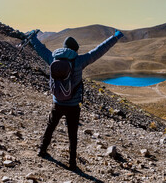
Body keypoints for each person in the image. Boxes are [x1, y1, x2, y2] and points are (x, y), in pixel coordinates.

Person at [28, 29, 124, 171]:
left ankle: (41, 150)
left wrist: (32, 38)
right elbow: (99, 50)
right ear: (75, 50)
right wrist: (114, 38)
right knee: (72, 134)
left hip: (57, 103)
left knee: (50, 127)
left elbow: (40, 48)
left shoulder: (53, 58)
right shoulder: (79, 60)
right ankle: (72, 163)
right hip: (73, 106)